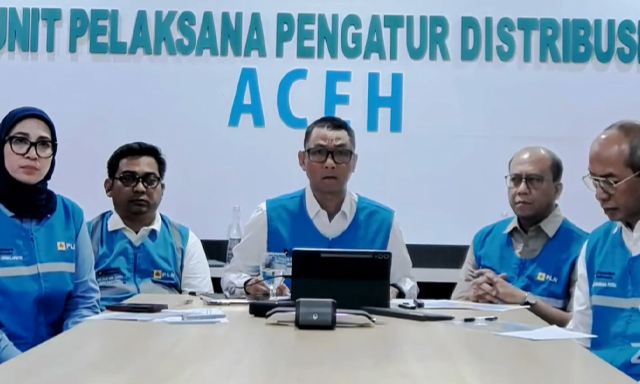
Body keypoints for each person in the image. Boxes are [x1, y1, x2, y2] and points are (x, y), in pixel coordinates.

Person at [222, 116, 418, 300]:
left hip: (363, 324)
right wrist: (248, 285)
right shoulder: (269, 216)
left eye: (341, 153)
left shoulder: (383, 222)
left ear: (354, 162)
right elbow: (231, 276)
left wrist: (396, 290)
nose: (330, 163)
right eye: (318, 153)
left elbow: (408, 283)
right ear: (302, 160)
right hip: (285, 324)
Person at [0, 107, 101, 364]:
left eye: (44, 144)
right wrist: (24, 367)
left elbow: (84, 301)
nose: (32, 153)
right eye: (20, 141)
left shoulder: (70, 215)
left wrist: (67, 355)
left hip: (62, 366)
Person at [451, 146, 587, 327]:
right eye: (515, 180)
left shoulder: (582, 247)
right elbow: (455, 309)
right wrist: (473, 298)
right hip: (486, 342)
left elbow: (579, 325)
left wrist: (525, 300)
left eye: (534, 180)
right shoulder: (485, 239)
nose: (522, 189)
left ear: (557, 190)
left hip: (550, 345)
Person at [87, 142, 212, 308]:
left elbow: (200, 306)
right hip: (101, 323)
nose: (140, 188)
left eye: (150, 180)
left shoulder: (184, 241)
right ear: (108, 187)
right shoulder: (86, 237)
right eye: (128, 179)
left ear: (162, 189)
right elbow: (75, 302)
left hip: (166, 323)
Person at [568, 120, 640, 380]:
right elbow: (579, 337)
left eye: (610, 182)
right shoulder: (597, 245)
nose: (599, 194)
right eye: (595, 181)